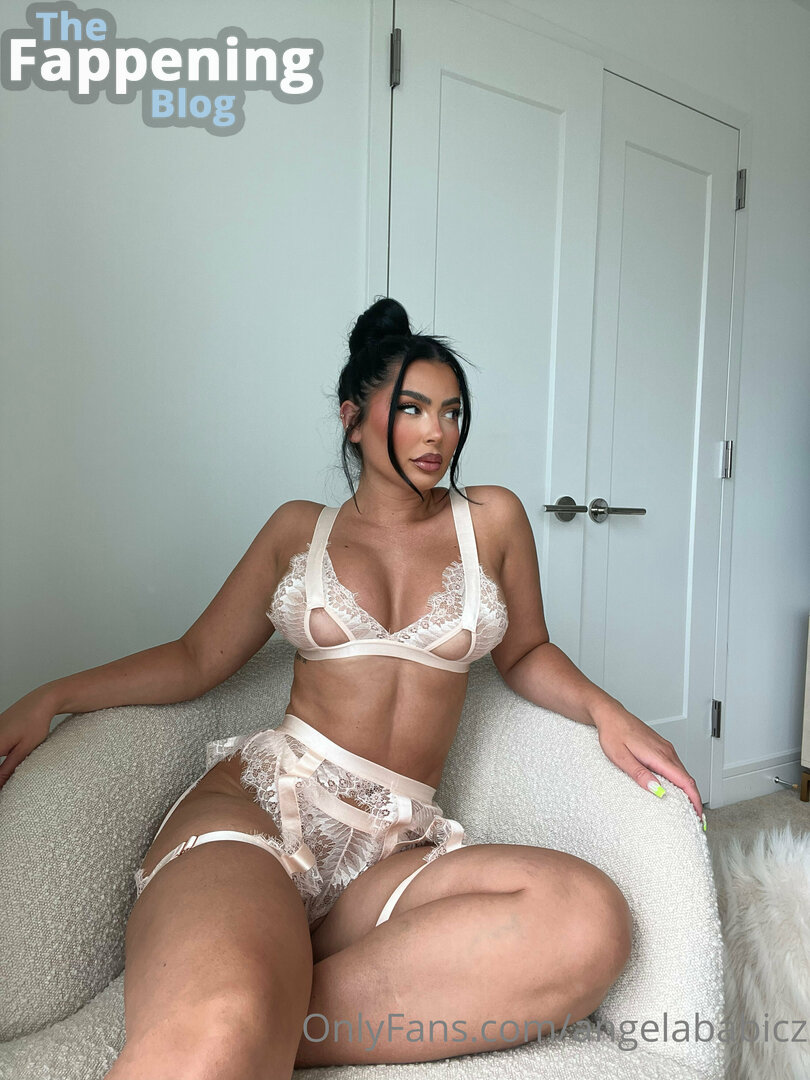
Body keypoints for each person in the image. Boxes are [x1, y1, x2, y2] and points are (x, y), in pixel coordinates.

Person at [0, 297, 704, 1079]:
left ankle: (267, 1011)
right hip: (263, 816)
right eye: (411, 409)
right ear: (352, 420)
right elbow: (196, 658)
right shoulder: (297, 531)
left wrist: (609, 714)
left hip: (389, 848)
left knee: (588, 921)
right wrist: (53, 696)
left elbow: (527, 651)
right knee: (222, 1025)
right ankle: (235, 1007)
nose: (437, 433)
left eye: (452, 412)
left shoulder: (492, 521)